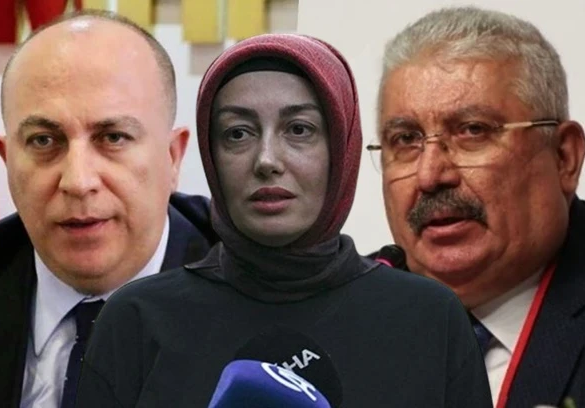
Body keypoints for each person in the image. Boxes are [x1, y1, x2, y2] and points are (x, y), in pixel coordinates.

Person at [74, 33, 492, 408]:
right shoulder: (136, 319)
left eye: (299, 129)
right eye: (238, 133)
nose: (267, 160)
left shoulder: (430, 318)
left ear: (341, 148)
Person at [0, 10, 218, 408]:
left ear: (172, 157)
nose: (78, 181)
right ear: (7, 160)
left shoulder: (257, 297)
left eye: (113, 138)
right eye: (44, 141)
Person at [369, 6, 585, 407]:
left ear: (564, 157)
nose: (430, 176)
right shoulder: (344, 311)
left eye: (473, 131)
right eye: (405, 139)